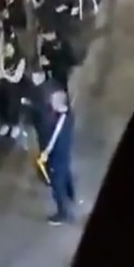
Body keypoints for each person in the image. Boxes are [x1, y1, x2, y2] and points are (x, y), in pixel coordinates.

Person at [36, 89, 76, 225]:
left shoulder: (59, 121)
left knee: (57, 185)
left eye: (53, 101)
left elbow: (53, 140)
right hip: (65, 155)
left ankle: (63, 213)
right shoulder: (68, 116)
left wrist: (45, 154)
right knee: (66, 175)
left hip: (56, 158)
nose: (50, 103)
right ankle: (71, 196)